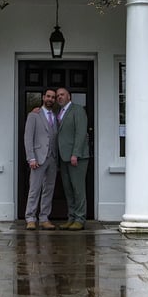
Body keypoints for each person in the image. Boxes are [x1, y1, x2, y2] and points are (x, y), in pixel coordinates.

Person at [56, 87, 89, 231]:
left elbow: (81, 133)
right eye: (58, 96)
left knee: (78, 189)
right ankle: (71, 218)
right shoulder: (59, 113)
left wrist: (75, 154)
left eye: (62, 95)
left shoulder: (78, 110)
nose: (59, 97)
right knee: (68, 190)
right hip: (63, 158)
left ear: (69, 96)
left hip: (77, 158)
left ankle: (80, 219)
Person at [24, 88, 58, 230]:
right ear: (43, 97)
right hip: (37, 158)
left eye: (53, 97)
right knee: (34, 189)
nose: (50, 99)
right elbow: (28, 137)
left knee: (48, 190)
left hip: (52, 158)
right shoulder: (34, 115)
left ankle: (44, 218)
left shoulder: (56, 116)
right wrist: (31, 157)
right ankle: (30, 218)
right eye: (48, 96)